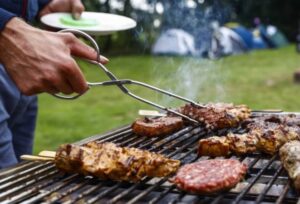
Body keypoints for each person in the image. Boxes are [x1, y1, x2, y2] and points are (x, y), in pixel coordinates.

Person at [0, 0, 108, 168]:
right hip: (13, 43)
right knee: (5, 186)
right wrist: (5, 31)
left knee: (19, 173)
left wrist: (44, 4)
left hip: (28, 69)